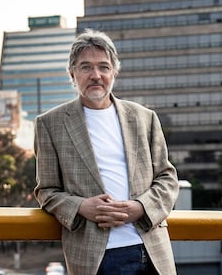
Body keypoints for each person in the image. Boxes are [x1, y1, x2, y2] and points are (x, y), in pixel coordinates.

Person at [34, 29, 179, 275]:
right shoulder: (50, 124)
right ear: (72, 74)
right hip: (94, 257)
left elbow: (167, 179)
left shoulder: (145, 118)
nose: (96, 75)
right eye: (85, 67)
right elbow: (46, 191)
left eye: (104, 67)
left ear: (114, 72)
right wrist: (81, 206)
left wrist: (140, 207)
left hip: (152, 251)